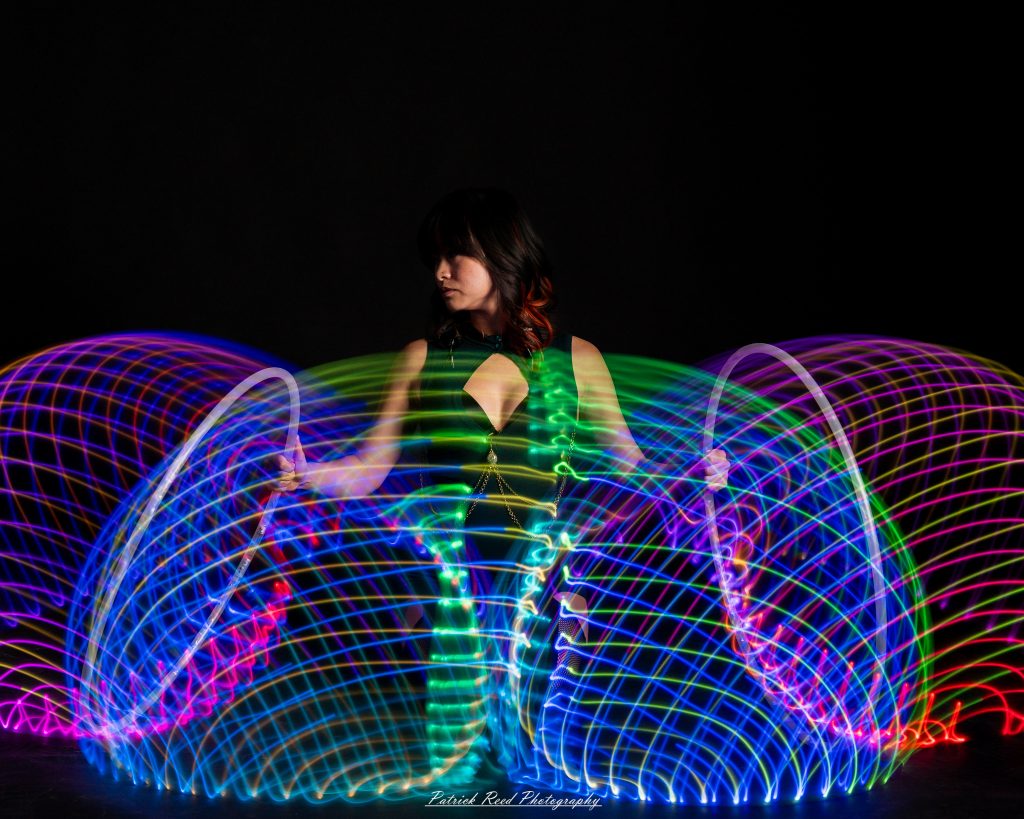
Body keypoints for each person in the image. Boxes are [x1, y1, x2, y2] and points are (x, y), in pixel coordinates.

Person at [274, 187, 729, 786]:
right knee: (463, 777)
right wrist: (308, 471)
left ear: (502, 258)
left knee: (534, 772)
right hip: (456, 594)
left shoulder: (577, 360)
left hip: (540, 593)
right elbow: (369, 469)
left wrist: (693, 472)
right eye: (434, 258)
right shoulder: (421, 359)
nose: (440, 272)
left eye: (455, 256)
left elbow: (629, 463)